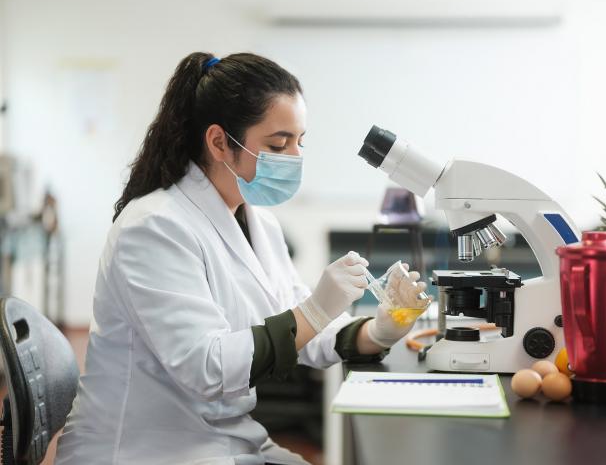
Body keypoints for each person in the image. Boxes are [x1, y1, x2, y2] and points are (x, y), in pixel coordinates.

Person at [54, 52, 427, 465]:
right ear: (218, 142)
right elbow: (207, 368)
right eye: (277, 144)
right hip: (148, 450)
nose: (293, 157)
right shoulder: (154, 227)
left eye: (299, 142)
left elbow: (306, 333)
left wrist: (382, 328)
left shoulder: (258, 224)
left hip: (225, 439)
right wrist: (316, 310)